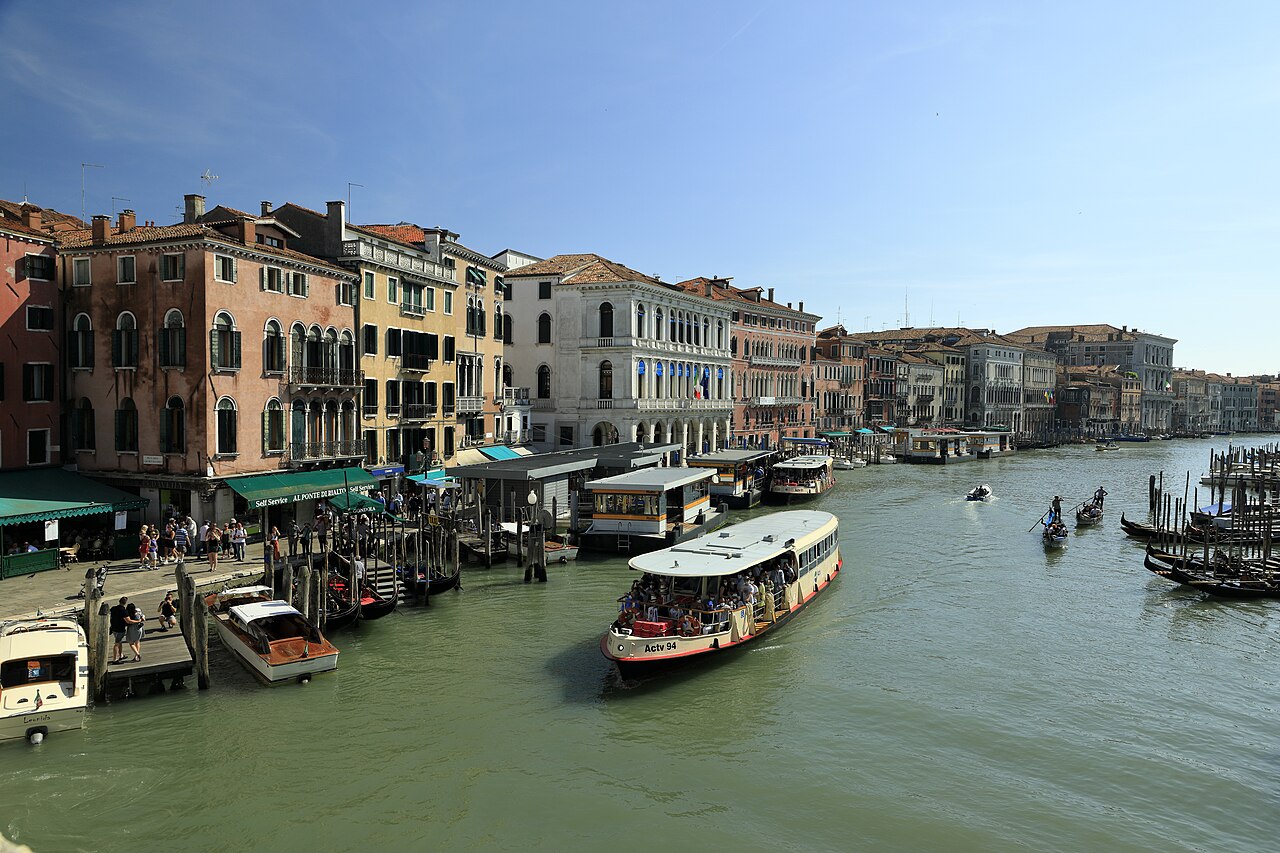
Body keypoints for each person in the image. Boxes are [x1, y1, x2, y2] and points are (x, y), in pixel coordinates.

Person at [109, 596, 129, 664]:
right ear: (125, 603)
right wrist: (139, 621)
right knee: (117, 643)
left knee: (119, 642)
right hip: (120, 629)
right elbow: (128, 621)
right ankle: (115, 659)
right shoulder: (124, 611)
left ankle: (120, 655)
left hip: (114, 628)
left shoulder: (113, 608)